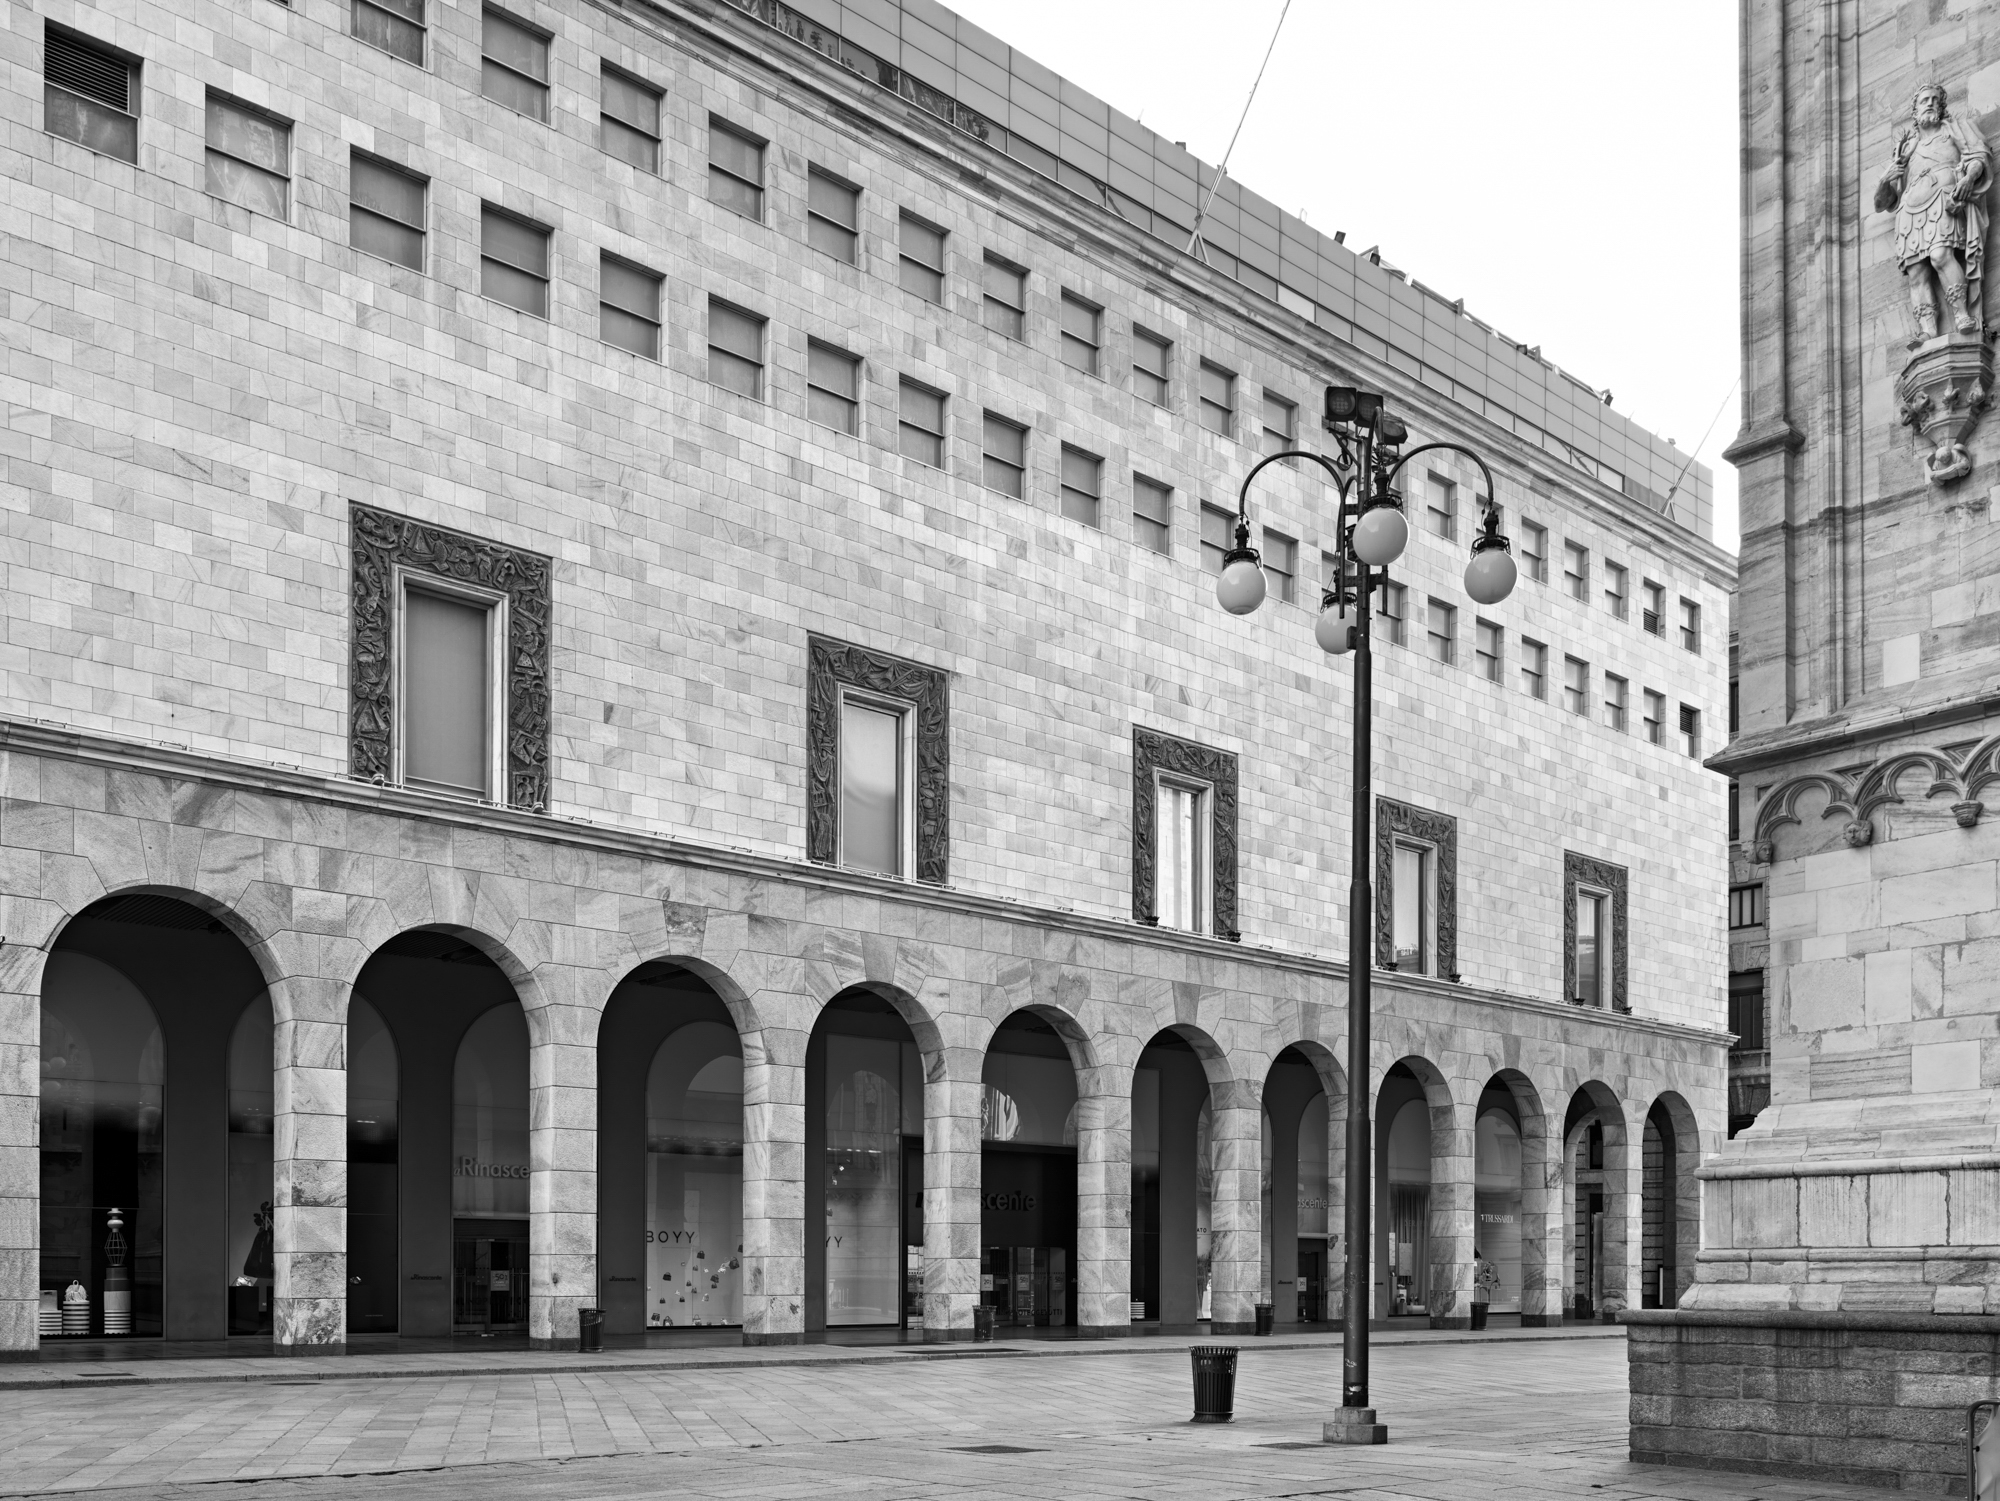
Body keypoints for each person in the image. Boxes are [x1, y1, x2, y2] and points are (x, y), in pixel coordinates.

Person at [1875, 83, 1991, 340]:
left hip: (1942, 201)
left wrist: (1968, 178)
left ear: (1941, 106)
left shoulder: (1955, 130)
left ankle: (1961, 313)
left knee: (1940, 256)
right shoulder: (1907, 149)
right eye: (1924, 100)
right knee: (1916, 273)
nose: (1929, 103)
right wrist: (1884, 180)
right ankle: (1927, 329)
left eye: (1934, 100)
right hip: (1910, 212)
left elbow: (1979, 156)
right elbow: (1885, 202)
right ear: (1915, 112)